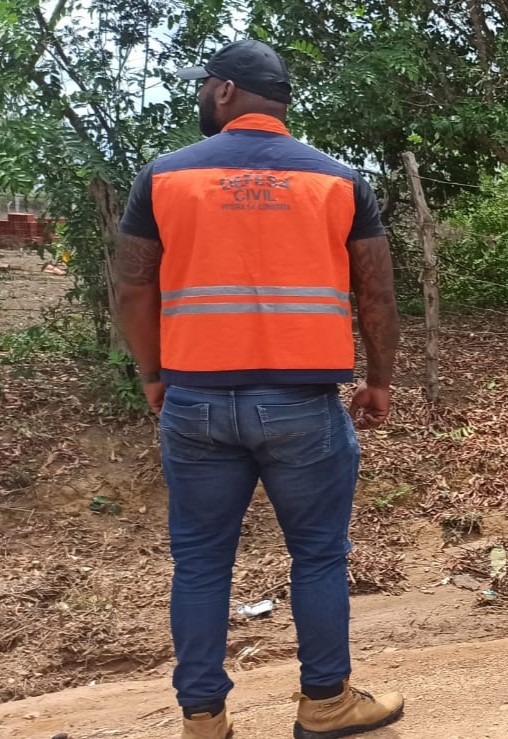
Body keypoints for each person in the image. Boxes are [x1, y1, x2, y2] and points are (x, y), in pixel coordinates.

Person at [114, 40, 404, 739]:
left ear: (222, 92)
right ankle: (326, 703)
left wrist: (154, 375)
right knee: (318, 554)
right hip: (303, 406)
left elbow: (131, 285)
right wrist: (380, 379)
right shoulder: (338, 181)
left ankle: (204, 719)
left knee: (202, 559)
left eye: (202, 84)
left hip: (196, 401)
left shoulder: (163, 178)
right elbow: (378, 292)